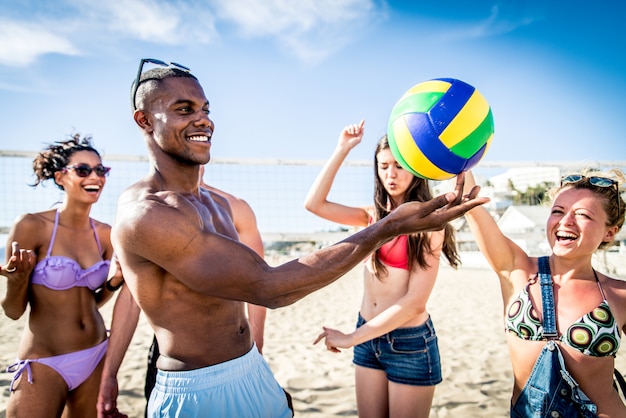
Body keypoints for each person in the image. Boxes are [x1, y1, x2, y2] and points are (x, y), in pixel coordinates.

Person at [96, 58, 487, 418]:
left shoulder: (219, 204)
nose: (203, 120)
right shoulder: (146, 214)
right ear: (144, 120)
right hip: (196, 387)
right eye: (185, 109)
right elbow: (269, 287)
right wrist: (387, 227)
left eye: (206, 109)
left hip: (251, 366)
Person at [304, 120, 458, 418]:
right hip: (368, 335)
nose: (391, 174)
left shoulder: (429, 223)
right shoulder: (372, 217)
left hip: (409, 343)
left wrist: (349, 338)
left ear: (416, 169)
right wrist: (342, 148)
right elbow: (314, 204)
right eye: (383, 166)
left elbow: (414, 303)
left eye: (399, 166)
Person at [461, 169, 626, 417]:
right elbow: (471, 206)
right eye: (558, 211)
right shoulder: (516, 269)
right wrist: (459, 156)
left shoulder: (619, 294)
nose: (565, 221)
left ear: (609, 232)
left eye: (582, 215)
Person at [1, 135, 125, 418]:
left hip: (96, 355)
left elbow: (91, 302)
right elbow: (12, 311)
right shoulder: (32, 226)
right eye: (83, 170)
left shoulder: (106, 233)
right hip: (45, 361)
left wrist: (114, 282)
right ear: (60, 177)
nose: (95, 177)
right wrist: (18, 280)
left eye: (100, 170)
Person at [143, 164, 268, 405]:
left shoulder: (235, 207)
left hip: (235, 347)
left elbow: (260, 283)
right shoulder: (151, 207)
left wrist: (258, 347)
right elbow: (132, 297)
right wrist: (111, 373)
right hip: (174, 354)